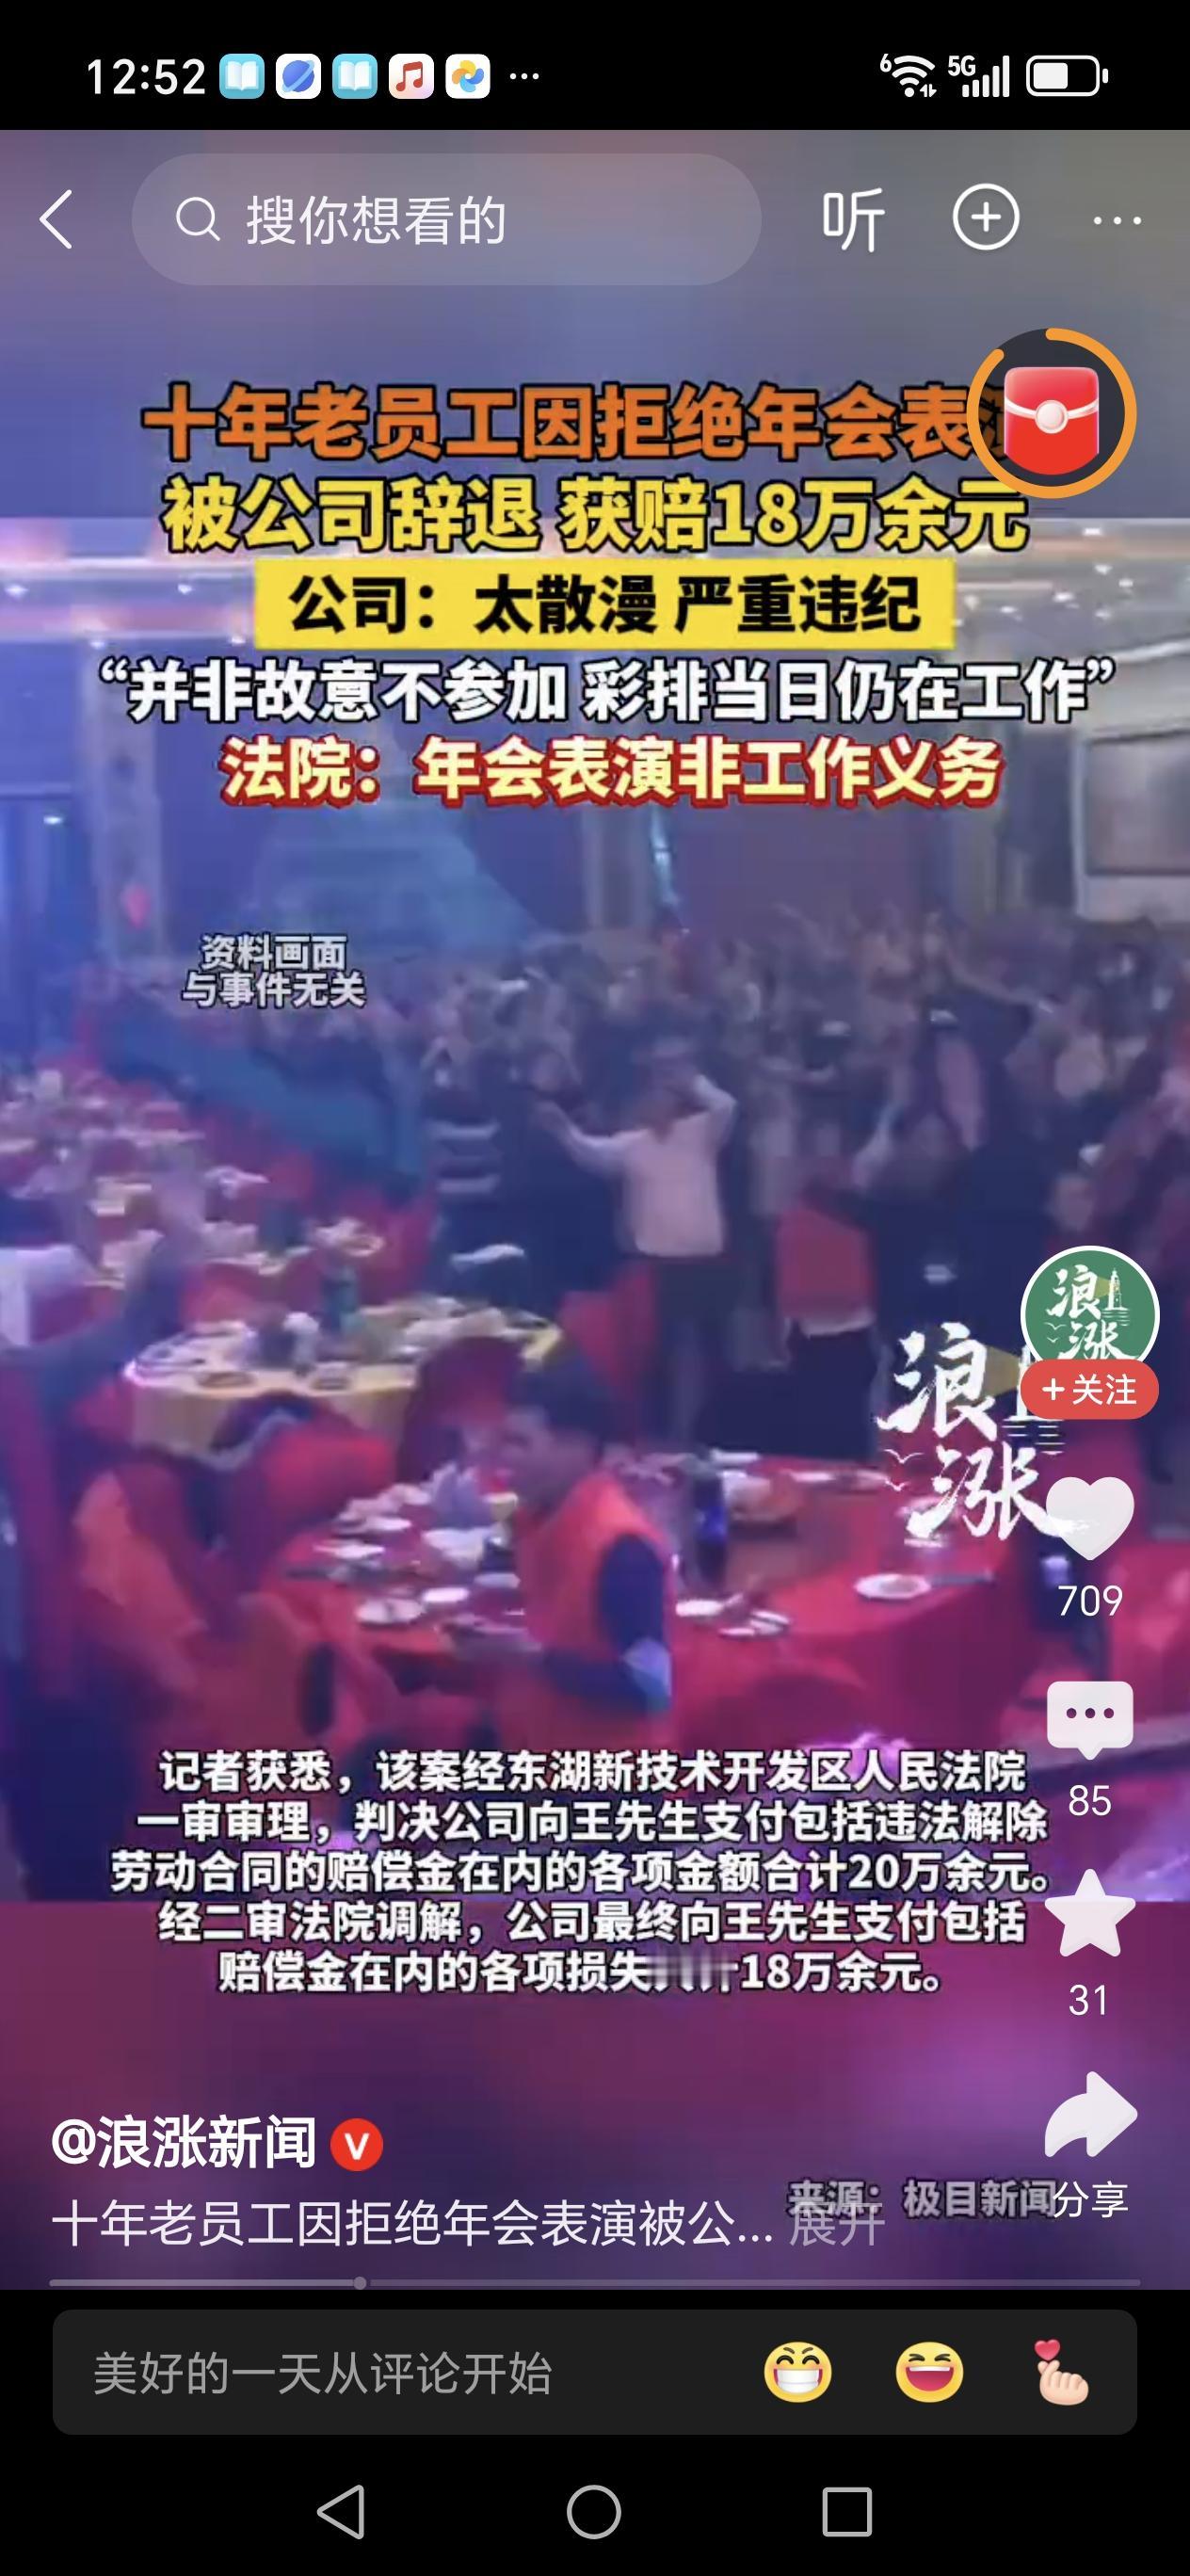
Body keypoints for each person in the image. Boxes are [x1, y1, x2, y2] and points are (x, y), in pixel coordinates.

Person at [451, 1351, 671, 1742]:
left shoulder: (622, 1548)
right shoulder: (539, 1517)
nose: (503, 1459)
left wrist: (527, 1656)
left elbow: (651, 1686)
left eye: (519, 1443)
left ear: (576, 1447)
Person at [539, 1037, 735, 1440]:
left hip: (706, 1260)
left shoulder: (699, 1133)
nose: (656, 1107)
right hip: (660, 1264)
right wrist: (562, 1130)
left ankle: (716, 1428)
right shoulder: (634, 1146)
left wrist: (691, 1080)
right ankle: (670, 1432)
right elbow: (589, 1152)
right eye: (651, 1100)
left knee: (712, 1349)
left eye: (665, 1099)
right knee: (667, 1351)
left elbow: (727, 1107)